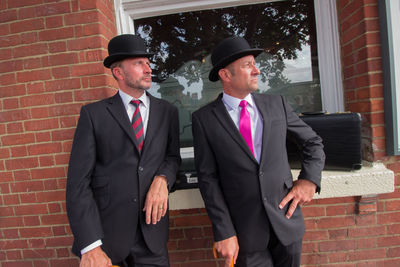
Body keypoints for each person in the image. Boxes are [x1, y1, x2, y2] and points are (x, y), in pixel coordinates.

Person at [192, 36, 325, 267]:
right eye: (247, 65)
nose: (257, 70)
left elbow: (312, 142)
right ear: (225, 75)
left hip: (286, 223)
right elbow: (208, 179)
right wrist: (224, 231)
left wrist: (309, 180)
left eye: (254, 63)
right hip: (244, 233)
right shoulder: (204, 119)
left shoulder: (277, 105)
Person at [66, 34, 181, 267]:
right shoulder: (94, 115)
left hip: (153, 238)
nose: (148, 69)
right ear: (118, 72)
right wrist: (91, 245)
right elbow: (78, 184)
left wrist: (163, 178)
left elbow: (172, 157)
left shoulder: (167, 111)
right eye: (139, 63)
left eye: (148, 63)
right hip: (107, 240)